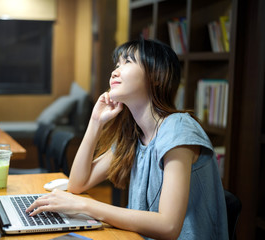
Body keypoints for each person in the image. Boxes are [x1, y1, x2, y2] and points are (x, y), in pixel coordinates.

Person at [27, 38, 228, 239]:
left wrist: (85, 205)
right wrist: (95, 121)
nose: (115, 71)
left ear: (156, 76)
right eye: (117, 64)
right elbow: (77, 184)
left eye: (128, 62)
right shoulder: (133, 134)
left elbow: (168, 226)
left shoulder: (178, 128)